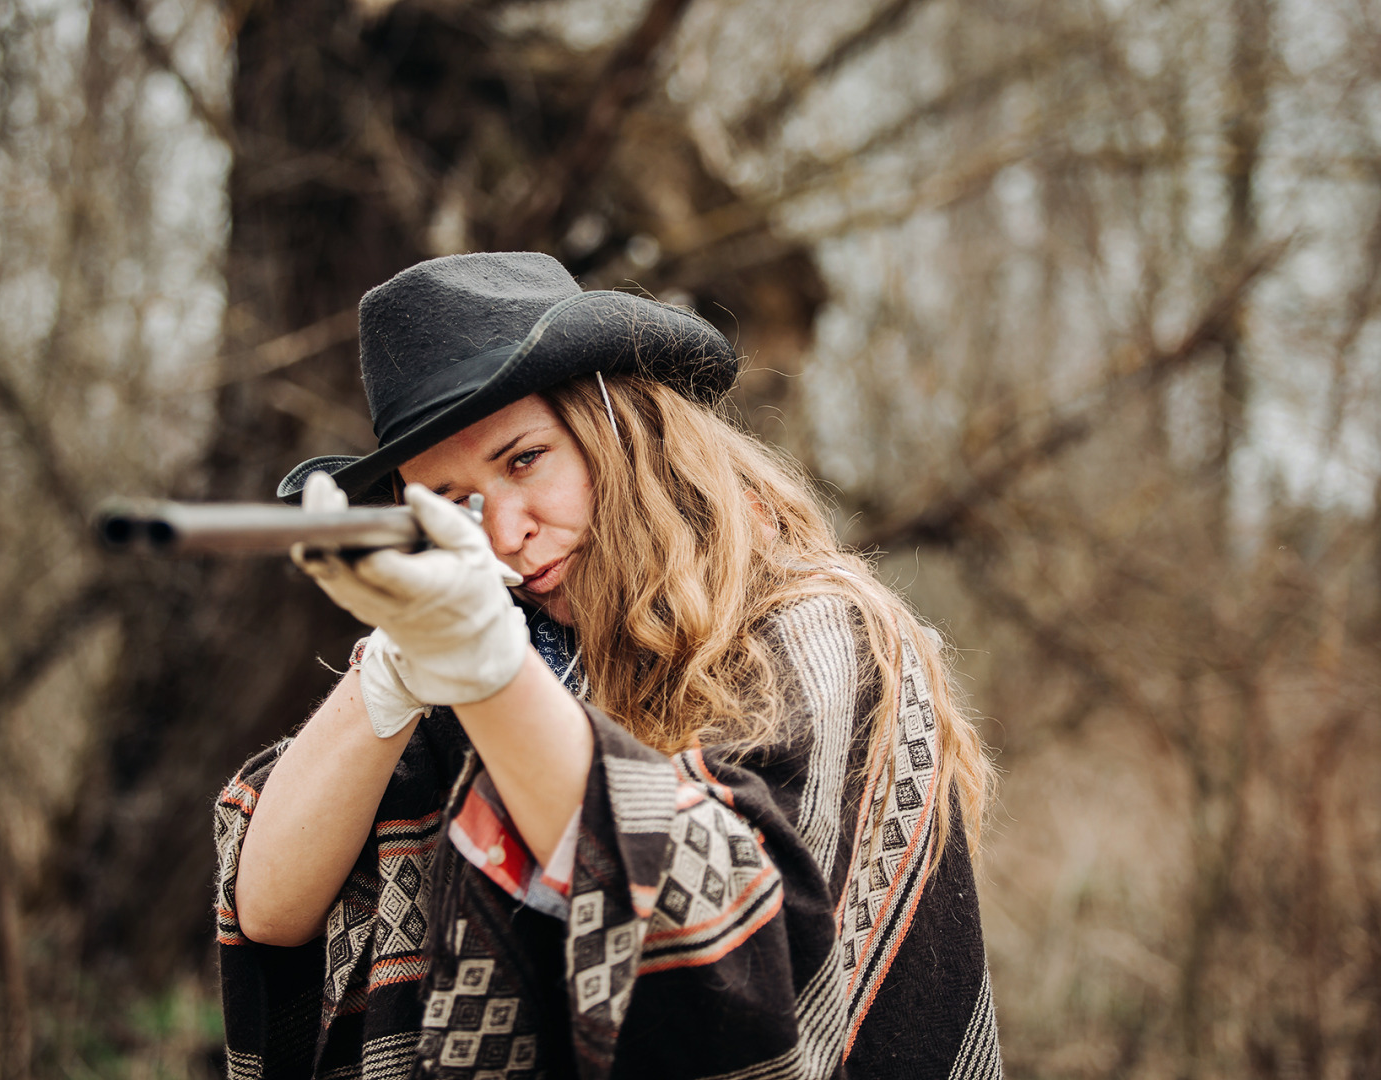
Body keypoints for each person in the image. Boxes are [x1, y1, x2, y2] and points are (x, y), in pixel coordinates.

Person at [213, 252, 1001, 1080]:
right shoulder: (487, 649)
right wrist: (398, 668)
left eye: (525, 460)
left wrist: (489, 671)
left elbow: (736, 962)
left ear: (620, 430)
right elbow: (267, 912)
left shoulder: (822, 632)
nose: (503, 530)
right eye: (450, 502)